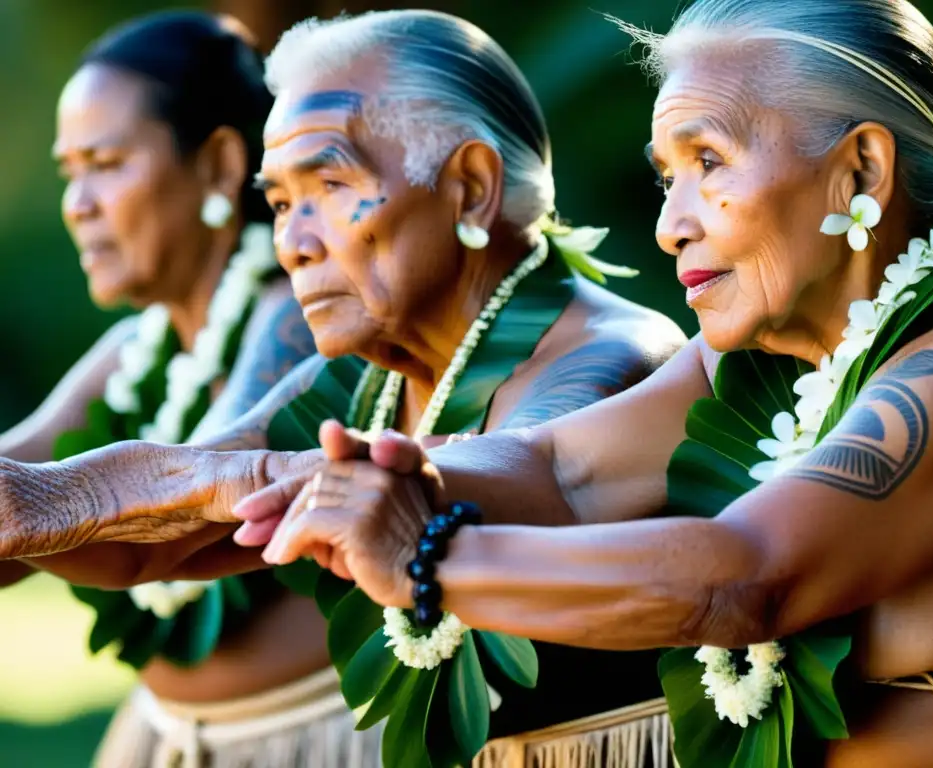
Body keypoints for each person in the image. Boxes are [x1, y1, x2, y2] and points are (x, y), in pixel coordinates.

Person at [232, 1, 933, 765]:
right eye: (666, 177)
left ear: (861, 169)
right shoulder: (760, 359)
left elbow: (747, 574)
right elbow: (556, 468)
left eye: (707, 161)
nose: (669, 225)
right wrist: (335, 477)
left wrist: (425, 558)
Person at [0, 10, 684, 766]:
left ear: (470, 187)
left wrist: (229, 482)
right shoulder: (359, 375)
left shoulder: (610, 354)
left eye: (329, 184)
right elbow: (160, 538)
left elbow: (527, 467)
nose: (292, 243)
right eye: (284, 203)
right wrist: (33, 501)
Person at [0, 10, 320, 767]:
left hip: (311, 741)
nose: (78, 203)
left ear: (216, 164)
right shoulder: (135, 348)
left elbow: (196, 493)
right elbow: (23, 468)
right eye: (68, 171)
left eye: (105, 163)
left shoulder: (295, 314)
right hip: (165, 740)